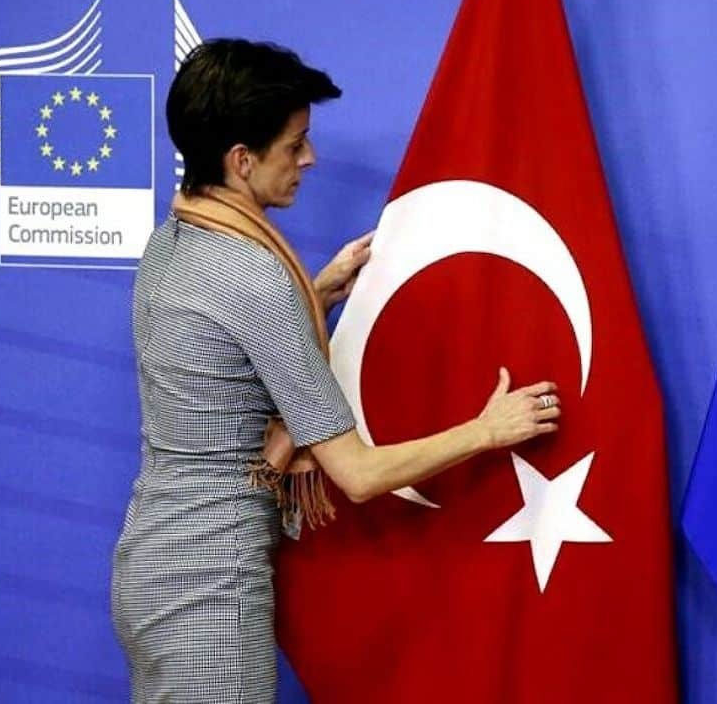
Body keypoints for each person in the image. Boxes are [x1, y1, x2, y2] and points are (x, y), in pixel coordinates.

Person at [110, 39, 561, 703]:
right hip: (210, 597)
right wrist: (488, 430)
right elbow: (358, 473)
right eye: (294, 145)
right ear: (241, 160)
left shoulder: (173, 240)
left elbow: (221, 346)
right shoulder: (256, 277)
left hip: (151, 567)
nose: (309, 159)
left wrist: (313, 296)